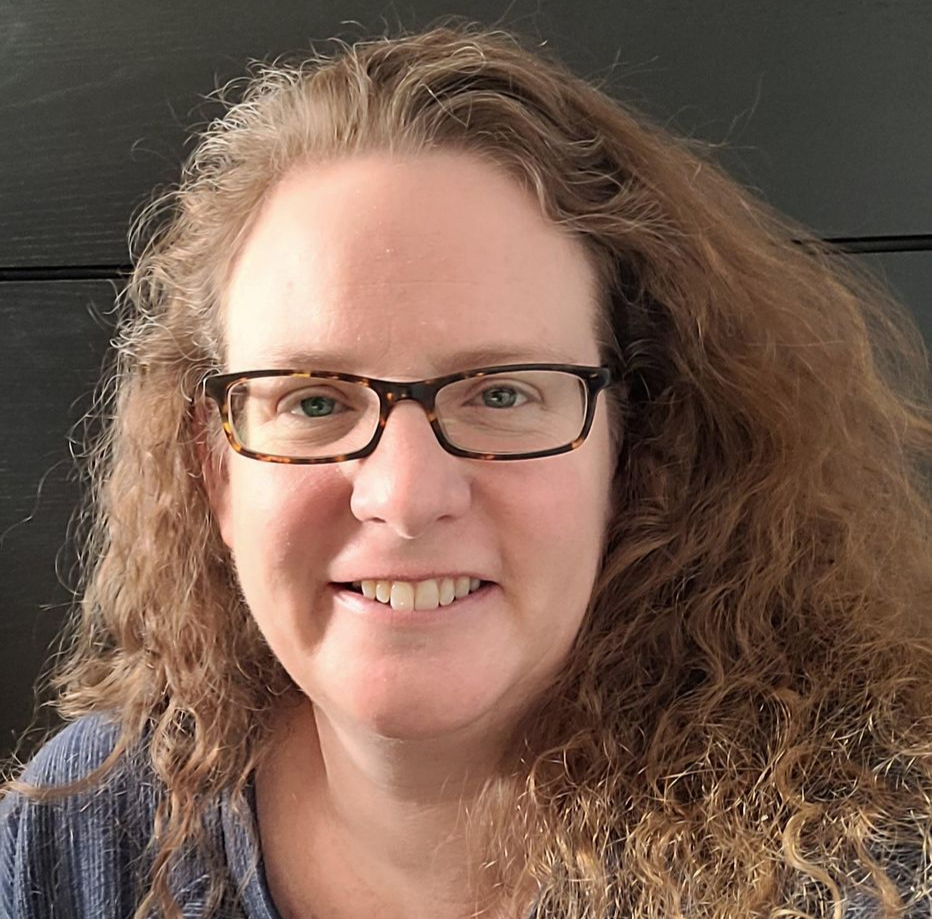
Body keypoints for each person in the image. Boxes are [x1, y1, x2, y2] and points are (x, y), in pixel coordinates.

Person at [2, 21, 931, 919]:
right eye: (315, 401)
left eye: (502, 393)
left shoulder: (867, 871)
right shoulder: (82, 832)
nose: (404, 497)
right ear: (215, 473)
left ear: (638, 451)